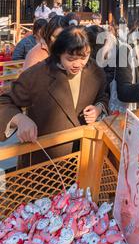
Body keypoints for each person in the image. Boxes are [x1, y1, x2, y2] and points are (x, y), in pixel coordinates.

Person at [0, 27, 109, 164]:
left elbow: (103, 96)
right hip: (44, 161)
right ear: (59, 53)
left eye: (83, 58)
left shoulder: (95, 71)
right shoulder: (38, 74)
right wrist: (20, 119)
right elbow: (4, 101)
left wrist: (98, 108)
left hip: (83, 156)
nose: (77, 64)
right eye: (70, 58)